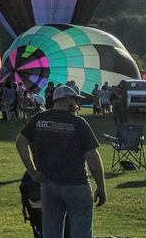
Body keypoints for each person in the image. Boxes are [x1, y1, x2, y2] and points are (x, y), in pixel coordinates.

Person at [16, 84, 106, 238]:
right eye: (75, 100)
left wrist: (32, 172)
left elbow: (20, 141)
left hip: (49, 185)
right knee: (81, 232)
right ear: (67, 100)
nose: (77, 105)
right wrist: (101, 187)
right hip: (77, 185)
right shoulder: (78, 123)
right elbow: (93, 159)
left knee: (51, 233)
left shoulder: (39, 119)